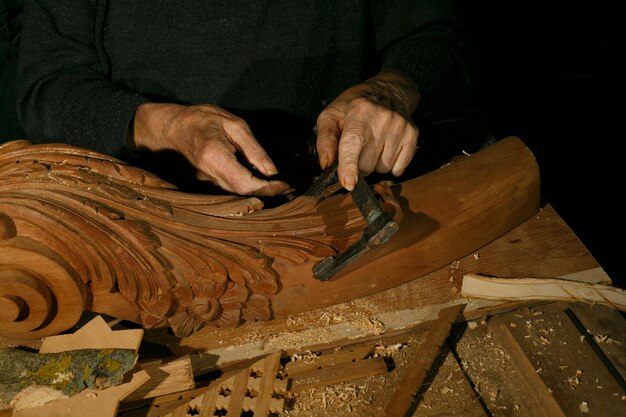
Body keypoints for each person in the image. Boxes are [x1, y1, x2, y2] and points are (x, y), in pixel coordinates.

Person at [16, 0, 475, 197]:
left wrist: (388, 92)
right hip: (159, 215)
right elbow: (49, 88)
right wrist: (168, 129)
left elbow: (437, 37)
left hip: (342, 193)